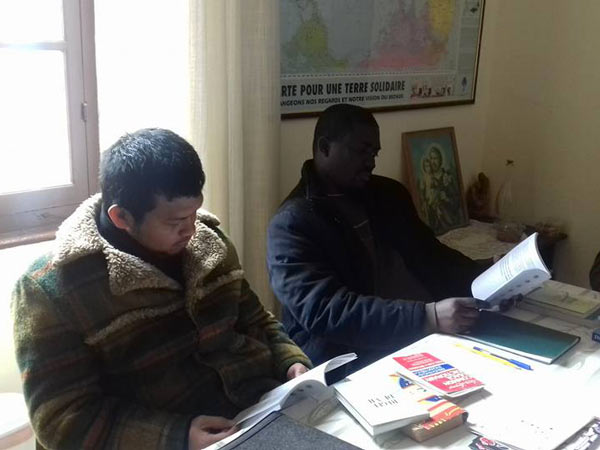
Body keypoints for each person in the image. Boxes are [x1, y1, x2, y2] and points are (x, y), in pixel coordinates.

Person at [12, 129, 311, 450]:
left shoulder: (208, 243)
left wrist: (290, 361)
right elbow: (63, 420)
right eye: (175, 222)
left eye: (194, 213)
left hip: (258, 411)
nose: (192, 229)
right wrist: (178, 436)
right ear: (122, 217)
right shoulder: (51, 289)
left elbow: (256, 319)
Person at [266, 104, 483, 370]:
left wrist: (487, 280)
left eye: (374, 153)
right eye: (361, 151)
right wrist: (428, 317)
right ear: (324, 147)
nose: (371, 162)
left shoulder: (389, 194)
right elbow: (325, 311)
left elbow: (433, 257)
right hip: (350, 357)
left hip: (423, 336)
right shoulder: (292, 223)